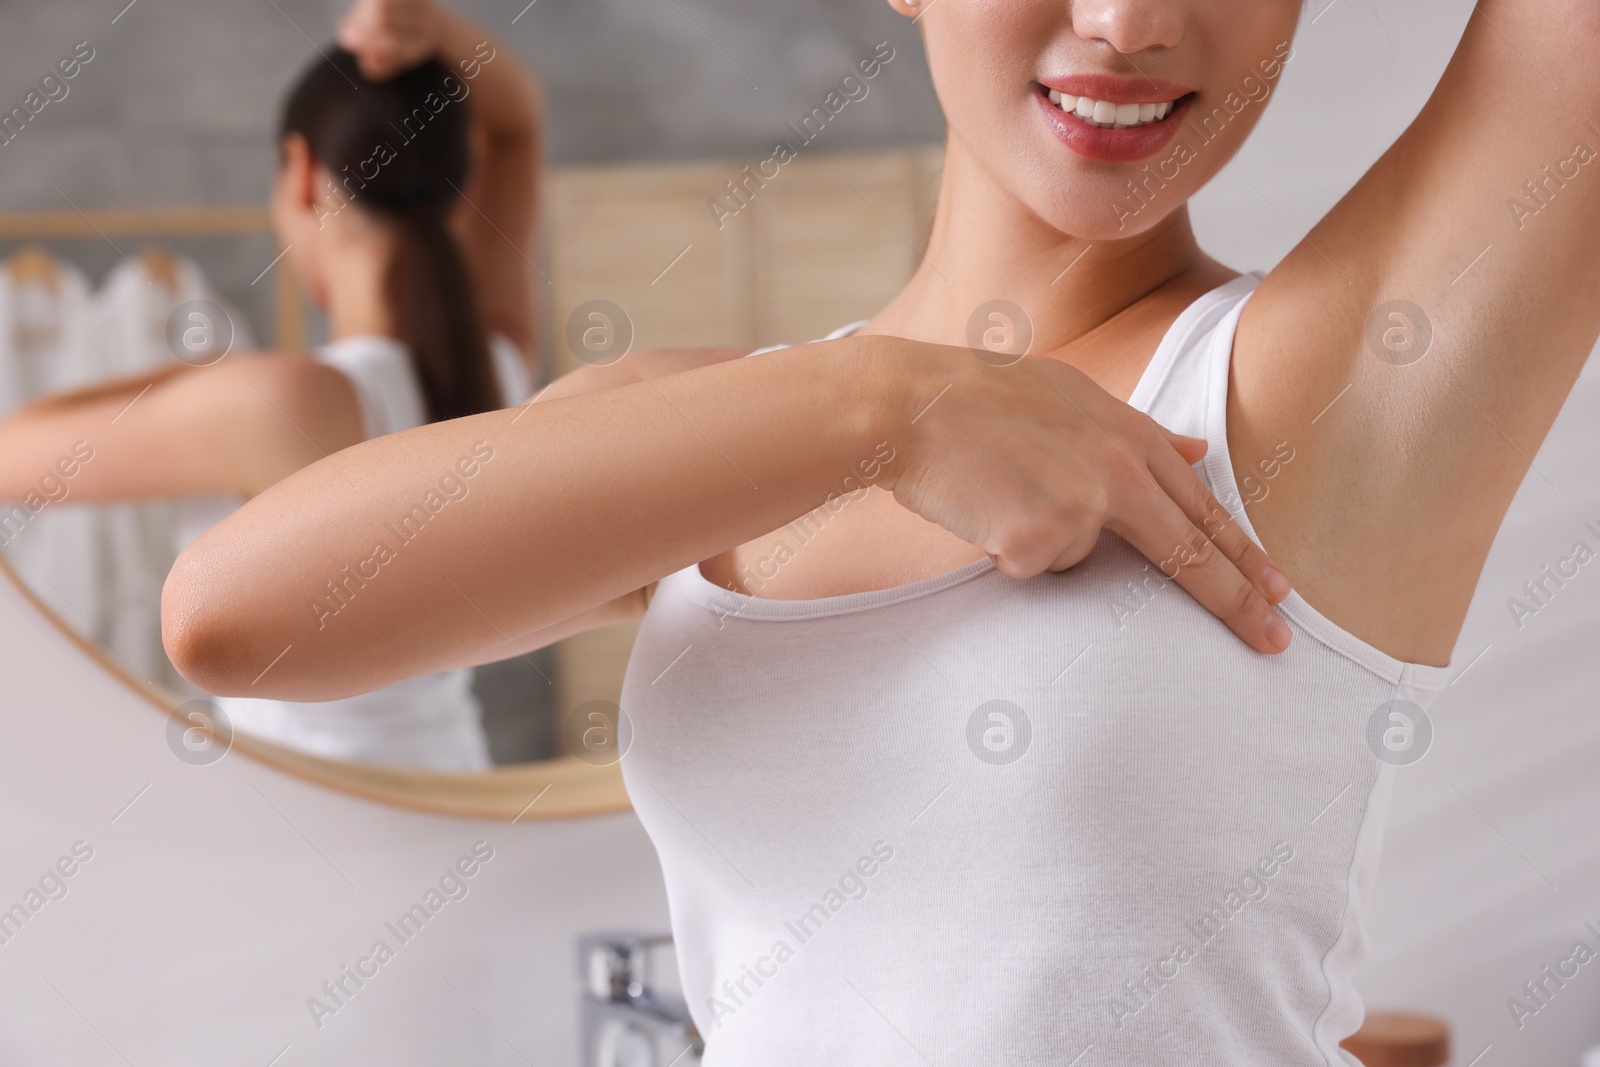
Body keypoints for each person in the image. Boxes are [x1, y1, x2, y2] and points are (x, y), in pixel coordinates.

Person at [164, 0, 1600, 1061]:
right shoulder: (748, 424)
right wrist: (886, 402)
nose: (1130, 22)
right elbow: (237, 614)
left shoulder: (1327, 391)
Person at [0, 0, 544, 771]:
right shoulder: (499, 368)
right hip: (458, 786)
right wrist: (433, 28)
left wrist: (204, 379)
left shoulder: (275, 403)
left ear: (302, 173)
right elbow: (519, 126)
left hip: (319, 819)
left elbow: (12, 451)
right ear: (459, 191)